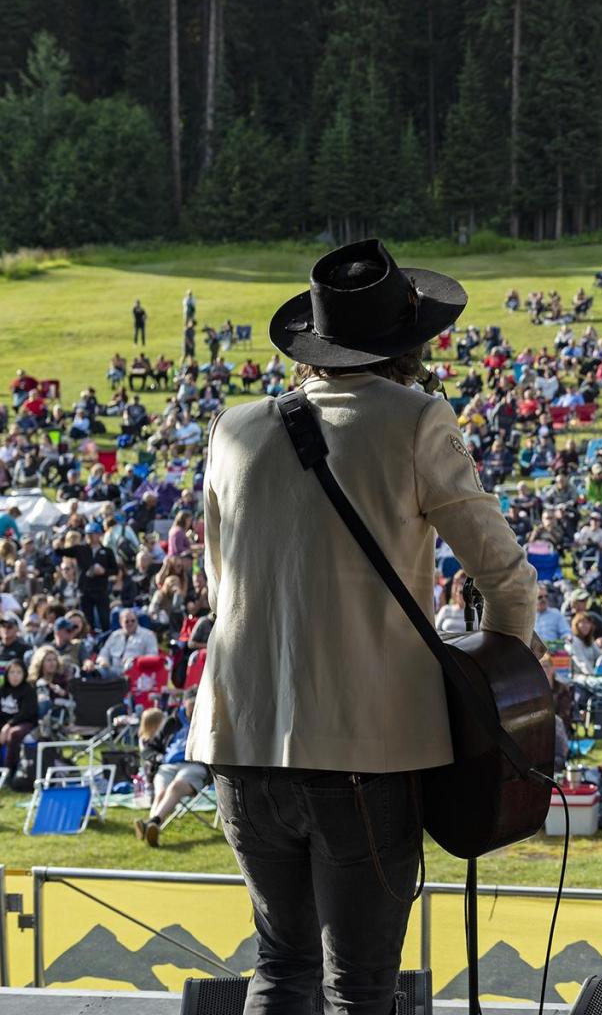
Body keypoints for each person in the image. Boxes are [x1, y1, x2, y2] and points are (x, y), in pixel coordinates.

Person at [186, 239, 540, 1014]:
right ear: (408, 346)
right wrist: (505, 683)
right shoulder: (414, 419)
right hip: (365, 749)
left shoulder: (234, 426)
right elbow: (506, 579)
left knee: (280, 966)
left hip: (240, 741)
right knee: (362, 984)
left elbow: (219, 583)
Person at [134, 693, 209, 846]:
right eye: (190, 708)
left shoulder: (210, 720)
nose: (193, 712)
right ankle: (152, 828)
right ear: (184, 705)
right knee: (160, 792)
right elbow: (150, 747)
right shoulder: (173, 721)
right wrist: (156, 758)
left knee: (175, 787)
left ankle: (152, 823)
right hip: (167, 764)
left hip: (196, 765)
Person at [1, 660, 38, 785]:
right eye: (12, 672)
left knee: (13, 734)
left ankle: (9, 772)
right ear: (7, 674)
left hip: (25, 723)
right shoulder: (3, 690)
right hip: (5, 724)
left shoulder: (29, 690)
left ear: (24, 674)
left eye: (18, 672)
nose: (15, 676)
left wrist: (8, 726)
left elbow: (26, 713)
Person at [96, 608, 159, 678]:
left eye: (133, 621)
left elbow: (152, 656)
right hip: (113, 672)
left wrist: (135, 660)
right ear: (121, 622)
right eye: (127, 621)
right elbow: (104, 652)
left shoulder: (148, 635)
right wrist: (104, 660)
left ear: (137, 621)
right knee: (94, 671)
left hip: (136, 674)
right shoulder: (114, 635)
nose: (130, 623)